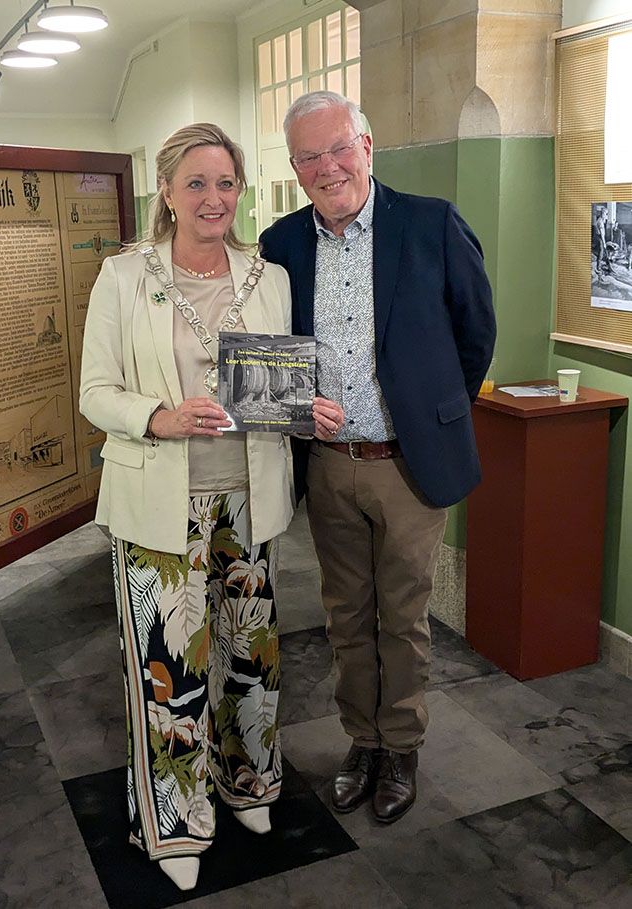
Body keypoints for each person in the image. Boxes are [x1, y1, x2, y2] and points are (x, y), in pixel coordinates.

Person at [79, 122, 343, 891]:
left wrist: (307, 410)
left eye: (226, 183)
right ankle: (176, 822)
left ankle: (250, 783)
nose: (213, 197)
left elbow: (274, 388)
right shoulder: (124, 277)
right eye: (196, 182)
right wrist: (158, 416)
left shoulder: (269, 277)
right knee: (172, 669)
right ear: (166, 191)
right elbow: (94, 391)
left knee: (251, 658)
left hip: (249, 498)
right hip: (159, 504)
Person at [260, 92, 495, 825]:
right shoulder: (280, 243)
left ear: (367, 145)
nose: (327, 166)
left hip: (407, 464)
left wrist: (431, 415)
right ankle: (361, 741)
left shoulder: (430, 224)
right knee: (345, 616)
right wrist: (296, 407)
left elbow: (475, 333)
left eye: (338, 147)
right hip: (328, 464)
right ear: (295, 168)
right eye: (309, 156)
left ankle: (402, 746)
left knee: (404, 615)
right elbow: (269, 351)